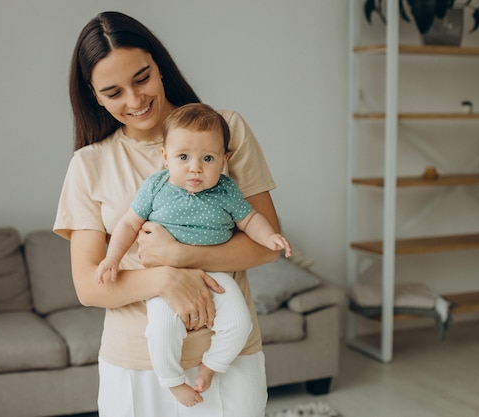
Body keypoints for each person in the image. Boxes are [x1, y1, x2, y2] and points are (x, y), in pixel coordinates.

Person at [54, 11, 283, 417]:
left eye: (142, 78)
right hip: (136, 364)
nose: (135, 100)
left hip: (228, 358)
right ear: (95, 96)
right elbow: (89, 287)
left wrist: (178, 256)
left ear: (160, 66)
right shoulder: (89, 164)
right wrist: (164, 278)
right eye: (113, 92)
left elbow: (265, 247)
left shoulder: (225, 131)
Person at [95, 103, 292, 407]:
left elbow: (250, 220)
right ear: (165, 156)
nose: (195, 167)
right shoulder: (156, 186)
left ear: (225, 160)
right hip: (166, 280)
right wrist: (112, 258)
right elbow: (129, 223)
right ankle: (172, 382)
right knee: (161, 330)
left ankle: (211, 367)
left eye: (208, 158)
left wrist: (270, 237)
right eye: (183, 157)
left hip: (216, 274)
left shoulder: (226, 190)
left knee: (240, 322)